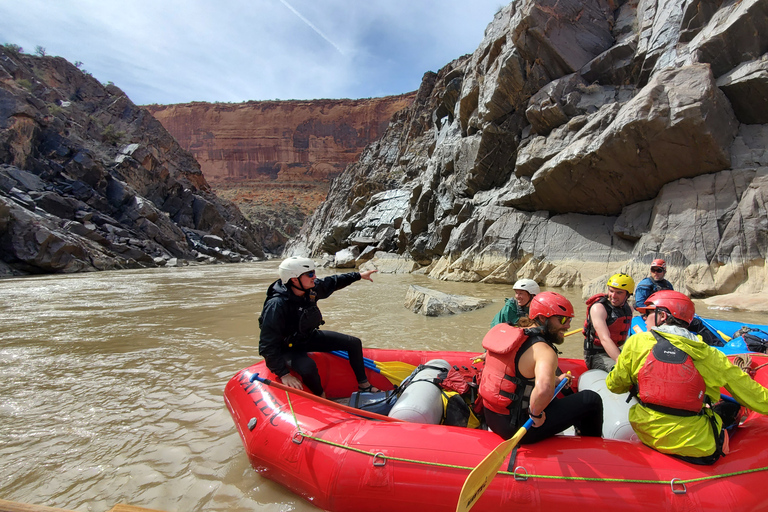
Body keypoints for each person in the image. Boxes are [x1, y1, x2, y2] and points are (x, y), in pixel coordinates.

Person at [606, 290, 768, 465]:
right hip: (694, 446)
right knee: (730, 407)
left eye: (647, 313)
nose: (644, 319)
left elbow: (614, 385)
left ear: (662, 316)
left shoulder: (636, 343)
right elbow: (753, 395)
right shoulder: (708, 354)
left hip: (646, 433)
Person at [479, 291, 603, 443]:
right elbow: (544, 389)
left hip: (492, 417)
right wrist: (536, 415)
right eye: (562, 320)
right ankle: (594, 449)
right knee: (591, 399)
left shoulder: (513, 335)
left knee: (558, 398)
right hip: (519, 426)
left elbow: (519, 373)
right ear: (543, 318)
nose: (568, 326)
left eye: (569, 320)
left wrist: (556, 380)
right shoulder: (544, 350)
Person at [258, 256, 379, 397]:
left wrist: (358, 275)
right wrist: (283, 374)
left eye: (314, 272)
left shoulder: (311, 289)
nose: (314, 277)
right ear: (294, 279)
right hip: (286, 347)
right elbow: (266, 345)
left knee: (354, 343)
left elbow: (333, 282)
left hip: (306, 337)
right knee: (308, 367)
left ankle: (364, 386)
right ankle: (321, 397)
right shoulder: (277, 304)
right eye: (310, 274)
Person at [583, 273, 634, 372]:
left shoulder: (628, 309)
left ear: (627, 295)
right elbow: (604, 339)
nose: (613, 296)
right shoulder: (599, 308)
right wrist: (621, 362)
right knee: (622, 372)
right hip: (596, 356)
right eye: (611, 291)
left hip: (615, 350)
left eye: (619, 293)